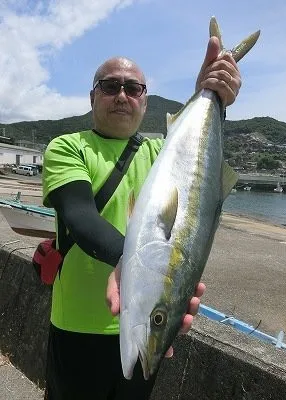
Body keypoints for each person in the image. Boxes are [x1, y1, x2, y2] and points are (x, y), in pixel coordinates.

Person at [42, 35, 241, 400]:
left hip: (141, 333)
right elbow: (79, 214)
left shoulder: (162, 152)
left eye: (133, 88)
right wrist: (130, 263)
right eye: (110, 86)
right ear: (92, 97)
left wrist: (211, 96)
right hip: (76, 328)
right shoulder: (69, 146)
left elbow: (196, 162)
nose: (121, 95)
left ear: (145, 101)